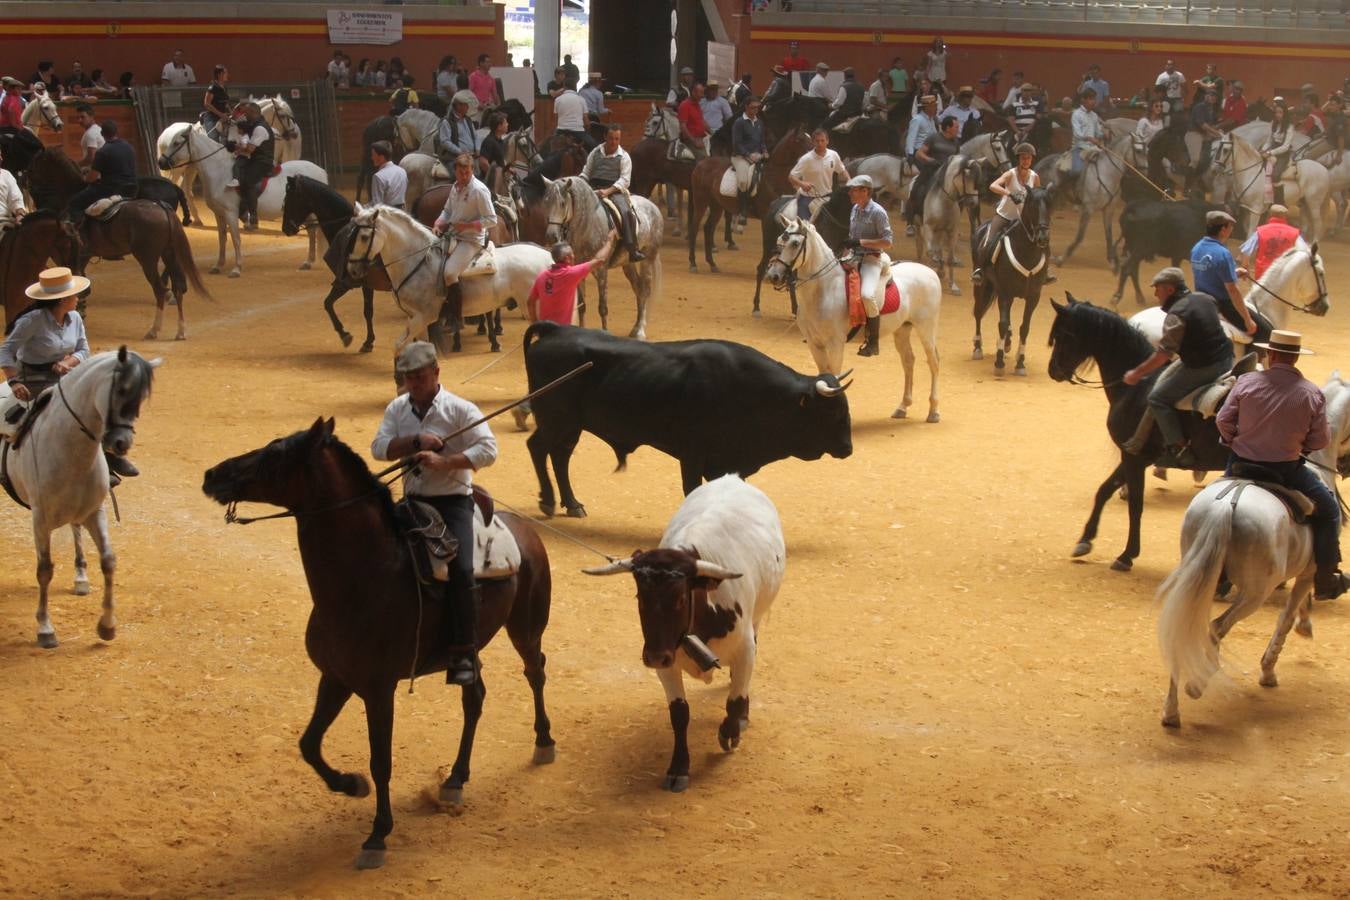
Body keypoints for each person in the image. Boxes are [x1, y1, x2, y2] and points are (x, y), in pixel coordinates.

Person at [371, 340, 498, 685]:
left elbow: (488, 450)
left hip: (452, 500)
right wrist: (415, 443)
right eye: (408, 378)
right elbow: (379, 448)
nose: (414, 384)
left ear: (436, 373)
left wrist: (446, 462)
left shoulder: (461, 409)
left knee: (460, 570)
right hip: (412, 502)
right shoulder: (397, 409)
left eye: (420, 377)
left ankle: (464, 652)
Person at [1215, 329, 1349, 599]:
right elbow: (1321, 439)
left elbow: (1222, 420)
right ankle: (1324, 578)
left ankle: (1214, 571)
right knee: (1331, 510)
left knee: (1215, 501)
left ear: (1270, 354)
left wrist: (1234, 440)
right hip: (1286, 470)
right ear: (1296, 358)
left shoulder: (1246, 382)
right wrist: (1301, 447)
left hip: (1240, 464)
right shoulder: (1311, 393)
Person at [2, 268, 140, 483]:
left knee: (98, 405)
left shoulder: (74, 317)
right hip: (33, 379)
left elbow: (83, 349)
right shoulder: (31, 321)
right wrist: (13, 381)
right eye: (74, 295)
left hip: (66, 375)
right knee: (43, 417)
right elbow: (6, 350)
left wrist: (67, 362)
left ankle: (110, 456)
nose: (77, 298)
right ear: (62, 299)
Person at [1121, 266, 1234, 469]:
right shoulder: (1204, 298)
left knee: (1157, 398)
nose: (1155, 294)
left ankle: (1180, 448)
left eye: (1158, 289)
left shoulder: (1176, 315)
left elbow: (1164, 354)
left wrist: (1136, 373)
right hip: (1226, 358)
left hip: (1204, 366)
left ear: (1170, 290)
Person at [432, 153, 497, 326]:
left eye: (467, 172)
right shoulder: (455, 187)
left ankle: (456, 316)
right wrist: (438, 223)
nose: (464, 176)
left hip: (471, 240)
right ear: (455, 171)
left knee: (450, 273)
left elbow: (492, 220)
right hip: (454, 235)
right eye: (461, 173)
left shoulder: (479, 190)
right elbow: (447, 211)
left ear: (472, 170)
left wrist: (467, 226)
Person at [972, 142, 1043, 287]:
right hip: (1004, 215)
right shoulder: (1010, 174)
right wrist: (1009, 194)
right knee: (989, 240)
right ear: (1019, 159)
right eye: (1023, 158)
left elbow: (1038, 195)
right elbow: (993, 186)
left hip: (1023, 219)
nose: (1026, 161)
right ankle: (979, 269)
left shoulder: (1034, 177)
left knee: (1041, 238)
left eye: (1028, 158)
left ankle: (1045, 271)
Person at [1192, 209, 1263, 346]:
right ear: (1223, 229)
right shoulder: (1223, 253)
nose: (1231, 230)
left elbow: (1209, 272)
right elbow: (1232, 290)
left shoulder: (1196, 248)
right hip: (1221, 305)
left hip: (1200, 299)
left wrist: (1234, 272)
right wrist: (1248, 320)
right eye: (1230, 227)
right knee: (1263, 332)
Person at [841, 174, 892, 357]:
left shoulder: (878, 212)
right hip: (854, 257)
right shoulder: (854, 209)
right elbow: (851, 237)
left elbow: (887, 242)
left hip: (871, 258)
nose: (850, 193)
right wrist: (845, 254)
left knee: (867, 295)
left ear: (865, 191)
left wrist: (861, 242)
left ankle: (873, 342)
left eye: (854, 190)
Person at [582, 123, 644, 262]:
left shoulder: (624, 157)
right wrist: (581, 182)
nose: (613, 142)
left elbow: (625, 180)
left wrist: (607, 191)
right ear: (605, 137)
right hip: (593, 188)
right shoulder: (595, 152)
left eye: (617, 139)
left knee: (626, 211)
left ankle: (631, 248)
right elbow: (586, 172)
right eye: (611, 138)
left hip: (614, 190)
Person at [527, 234, 617, 325]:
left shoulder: (542, 276)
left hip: (544, 331)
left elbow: (530, 302)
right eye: (572, 254)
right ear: (567, 259)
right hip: (563, 333)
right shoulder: (571, 274)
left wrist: (535, 324)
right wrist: (609, 240)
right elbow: (600, 259)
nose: (574, 256)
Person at [66, 119, 136, 227]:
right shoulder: (129, 147)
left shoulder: (103, 152)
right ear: (117, 132)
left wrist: (84, 178)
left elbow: (91, 179)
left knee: (74, 204)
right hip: (130, 188)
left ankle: (79, 232)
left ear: (102, 134)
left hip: (110, 189)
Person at [905, 115, 961, 228]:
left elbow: (957, 158)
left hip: (947, 174)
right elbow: (919, 153)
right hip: (931, 170)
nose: (958, 129)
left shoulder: (956, 142)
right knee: (916, 190)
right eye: (956, 127)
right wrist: (931, 160)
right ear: (948, 128)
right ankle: (910, 221)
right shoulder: (933, 138)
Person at [228, 102, 274, 231]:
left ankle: (253, 218)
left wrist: (234, 146)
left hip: (262, 162)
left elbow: (249, 149)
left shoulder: (260, 128)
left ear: (253, 113)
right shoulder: (254, 125)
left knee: (247, 181)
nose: (244, 116)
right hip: (254, 159)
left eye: (246, 113)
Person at [788, 128, 848, 221]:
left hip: (827, 197)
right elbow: (791, 177)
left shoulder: (833, 155)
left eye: (822, 140)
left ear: (827, 141)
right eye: (817, 141)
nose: (820, 143)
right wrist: (802, 184)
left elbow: (842, 170)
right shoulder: (806, 159)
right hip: (807, 199)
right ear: (813, 142)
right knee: (804, 228)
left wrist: (850, 181)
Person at [1238, 204, 1307, 281]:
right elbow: (1305, 251)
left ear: (1270, 215)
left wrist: (1245, 266)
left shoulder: (1261, 231)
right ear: (1285, 217)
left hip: (1264, 275)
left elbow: (1246, 250)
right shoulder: (1294, 233)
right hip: (1286, 275)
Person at [731, 97, 767, 228]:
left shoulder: (759, 123)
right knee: (743, 181)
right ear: (746, 107)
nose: (755, 110)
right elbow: (736, 143)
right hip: (740, 157)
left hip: (757, 156)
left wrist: (764, 151)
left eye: (757, 107)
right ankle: (742, 211)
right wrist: (748, 155)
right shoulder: (739, 122)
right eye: (752, 107)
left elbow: (762, 141)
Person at [1061, 88, 1104, 197]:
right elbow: (1077, 134)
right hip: (1079, 147)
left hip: (1093, 148)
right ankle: (1072, 190)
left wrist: (1104, 134)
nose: (1093, 102)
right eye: (1090, 99)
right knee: (1077, 171)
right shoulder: (1076, 114)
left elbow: (1098, 132)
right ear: (1083, 100)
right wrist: (1090, 138)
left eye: (1094, 99)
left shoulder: (1094, 115)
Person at [1261, 98, 1296, 204]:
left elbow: (1285, 146)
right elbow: (1269, 141)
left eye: (1280, 112)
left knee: (1275, 175)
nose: (1277, 115)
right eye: (1276, 112)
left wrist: (1270, 152)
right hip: (1271, 149)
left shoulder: (1290, 127)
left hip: (1283, 154)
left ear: (1284, 113)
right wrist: (1262, 150)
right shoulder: (1273, 124)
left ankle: (1280, 202)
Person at [437, 96, 480, 171]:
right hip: (453, 157)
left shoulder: (468, 120)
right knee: (459, 175)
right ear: (458, 106)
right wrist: (460, 152)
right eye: (465, 104)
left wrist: (477, 148)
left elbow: (475, 136)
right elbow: (445, 141)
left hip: (471, 156)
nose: (468, 107)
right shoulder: (447, 122)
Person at [1190, 87, 1223, 180]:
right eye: (1211, 95)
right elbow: (1203, 125)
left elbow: (1210, 126)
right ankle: (1194, 179)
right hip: (1195, 135)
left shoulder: (1211, 109)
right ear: (1206, 96)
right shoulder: (1200, 107)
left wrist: (1218, 132)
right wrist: (1216, 133)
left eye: (1215, 97)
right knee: (1202, 160)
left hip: (1205, 137)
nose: (1213, 98)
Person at [552, 80, 592, 149]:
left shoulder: (558, 100)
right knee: (594, 146)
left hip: (561, 131)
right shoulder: (581, 100)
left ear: (564, 87)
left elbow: (556, 120)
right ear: (575, 88)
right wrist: (587, 130)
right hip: (578, 132)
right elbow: (586, 122)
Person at [368, 140, 407, 209]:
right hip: (402, 213)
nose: (372, 158)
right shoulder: (402, 171)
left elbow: (377, 204)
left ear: (381, 157)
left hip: (387, 214)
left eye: (373, 155)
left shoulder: (378, 176)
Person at [678, 82, 710, 160]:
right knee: (704, 159)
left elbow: (701, 121)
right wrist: (693, 141)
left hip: (701, 137)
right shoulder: (684, 105)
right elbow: (683, 126)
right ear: (693, 92)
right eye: (701, 93)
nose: (702, 96)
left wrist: (712, 131)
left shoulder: (697, 105)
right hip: (690, 140)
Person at [905, 93, 939, 159]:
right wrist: (910, 155)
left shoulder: (931, 120)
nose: (936, 108)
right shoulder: (917, 120)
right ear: (927, 107)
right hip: (919, 152)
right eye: (934, 106)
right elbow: (910, 139)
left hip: (930, 152)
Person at [73, 103, 104, 168]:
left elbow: (91, 158)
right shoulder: (98, 129)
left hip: (95, 175)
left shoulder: (91, 133)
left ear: (91, 116)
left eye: (82, 117)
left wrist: (75, 166)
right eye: (78, 117)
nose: (79, 120)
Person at [201, 64, 231, 134]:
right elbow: (207, 104)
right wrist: (220, 114)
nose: (227, 75)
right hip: (212, 117)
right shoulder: (213, 88)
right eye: (225, 73)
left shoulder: (224, 87)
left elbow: (225, 103)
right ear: (219, 74)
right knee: (213, 138)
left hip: (223, 117)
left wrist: (231, 112)